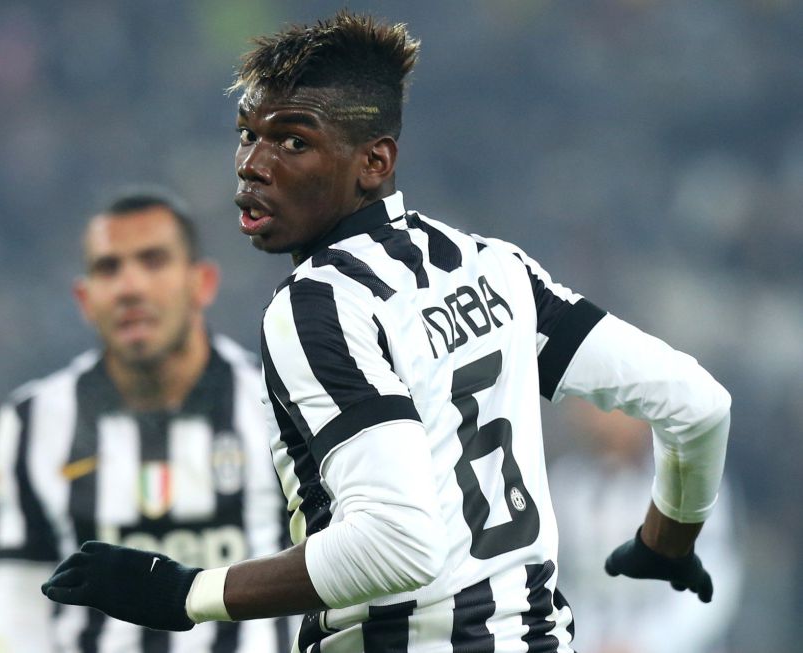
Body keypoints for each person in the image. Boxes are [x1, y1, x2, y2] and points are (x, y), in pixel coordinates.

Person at [41, 12, 732, 653]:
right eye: (248, 134)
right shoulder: (496, 267)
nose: (253, 164)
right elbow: (697, 405)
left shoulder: (318, 303)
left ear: (374, 162)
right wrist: (667, 541)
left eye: (293, 141)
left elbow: (398, 545)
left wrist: (184, 593)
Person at [0, 189, 289, 652]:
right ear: (85, 299)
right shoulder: (32, 422)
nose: (130, 287)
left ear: (202, 283)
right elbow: (18, 610)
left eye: (154, 261)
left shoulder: (277, 401)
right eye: (109, 268)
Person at [549, 400, 743, 653]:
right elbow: (553, 583)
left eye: (611, 403)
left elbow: (711, 578)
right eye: (588, 403)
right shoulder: (564, 485)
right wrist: (587, 641)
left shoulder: (689, 481)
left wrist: (646, 644)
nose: (601, 418)